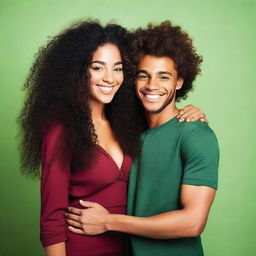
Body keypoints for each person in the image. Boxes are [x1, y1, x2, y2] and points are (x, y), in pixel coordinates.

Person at [18, 20, 207, 256]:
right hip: (83, 248)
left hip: (131, 247)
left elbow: (164, 111)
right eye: (98, 67)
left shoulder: (129, 123)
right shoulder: (61, 131)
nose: (110, 78)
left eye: (117, 68)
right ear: (78, 71)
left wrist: (190, 112)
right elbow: (52, 221)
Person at [66, 21, 219, 256]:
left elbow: (192, 222)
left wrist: (109, 221)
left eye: (164, 77)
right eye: (143, 76)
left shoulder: (197, 135)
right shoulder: (128, 131)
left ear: (179, 82)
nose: (152, 86)